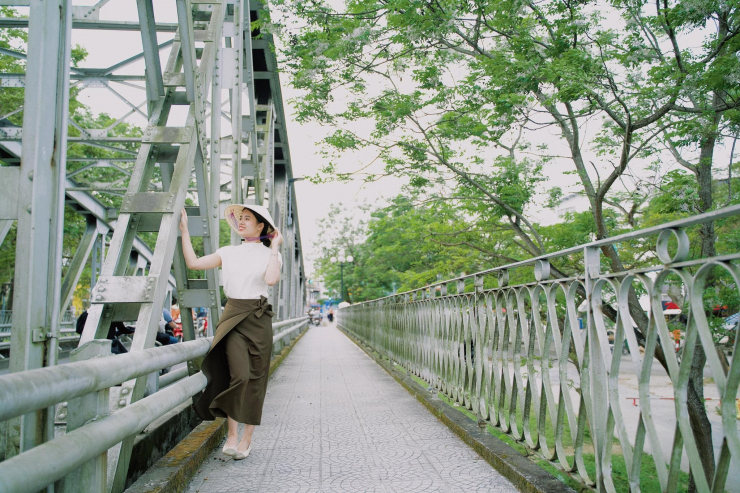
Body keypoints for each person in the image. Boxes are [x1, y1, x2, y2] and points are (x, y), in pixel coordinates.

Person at [181, 203, 282, 461]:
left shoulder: (271, 255)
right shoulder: (227, 252)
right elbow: (193, 263)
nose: (241, 222)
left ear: (261, 226)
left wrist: (275, 247)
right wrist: (184, 230)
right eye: (240, 218)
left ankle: (246, 439)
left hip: (259, 318)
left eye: (247, 218)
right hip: (234, 315)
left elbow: (271, 280)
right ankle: (232, 436)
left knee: (257, 380)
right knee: (239, 377)